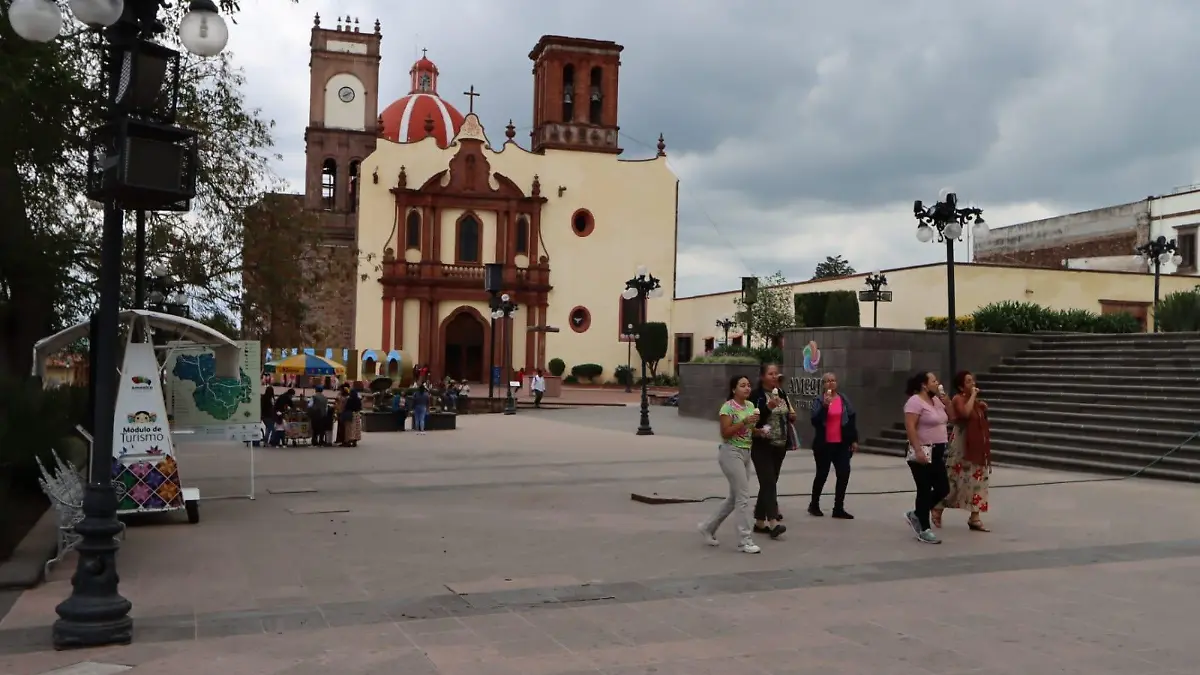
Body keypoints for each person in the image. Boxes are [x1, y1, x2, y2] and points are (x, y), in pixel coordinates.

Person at [698, 375, 762, 554]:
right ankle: (745, 540)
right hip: (730, 453)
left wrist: (759, 431)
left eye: (748, 385)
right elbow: (725, 433)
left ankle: (708, 527)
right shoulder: (728, 408)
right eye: (742, 386)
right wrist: (743, 422)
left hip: (746, 452)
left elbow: (749, 431)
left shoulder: (750, 406)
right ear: (734, 389)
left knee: (735, 497)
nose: (747, 388)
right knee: (743, 496)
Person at [933, 371, 992, 531]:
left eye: (972, 380)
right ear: (960, 386)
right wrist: (973, 397)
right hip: (962, 447)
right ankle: (938, 507)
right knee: (955, 480)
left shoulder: (974, 400)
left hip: (977, 447)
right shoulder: (959, 399)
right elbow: (964, 413)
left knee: (978, 480)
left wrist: (981, 408)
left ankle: (975, 516)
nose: (972, 383)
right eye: (968, 382)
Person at [903, 371, 952, 544]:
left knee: (943, 488)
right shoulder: (915, 402)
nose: (937, 383)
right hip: (922, 450)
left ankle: (917, 514)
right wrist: (917, 450)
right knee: (923, 489)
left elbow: (951, 418)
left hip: (938, 452)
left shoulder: (937, 400)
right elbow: (910, 426)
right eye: (934, 380)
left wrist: (947, 402)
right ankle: (924, 528)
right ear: (924, 385)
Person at [748, 363, 792, 540]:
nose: (774, 377)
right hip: (762, 445)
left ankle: (759, 522)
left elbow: (786, 414)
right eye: (770, 374)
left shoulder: (781, 393)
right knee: (769, 483)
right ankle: (773, 521)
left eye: (776, 373)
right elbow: (754, 420)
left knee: (769, 482)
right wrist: (769, 407)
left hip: (780, 444)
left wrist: (790, 415)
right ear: (762, 377)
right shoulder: (756, 396)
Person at [808, 371, 859, 519]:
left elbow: (851, 419)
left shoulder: (843, 399)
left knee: (843, 473)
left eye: (833, 380)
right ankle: (814, 504)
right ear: (823, 385)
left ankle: (838, 507)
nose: (831, 383)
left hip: (841, 444)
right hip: (824, 444)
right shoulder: (818, 400)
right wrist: (824, 407)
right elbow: (815, 422)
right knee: (822, 474)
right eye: (827, 381)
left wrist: (854, 439)